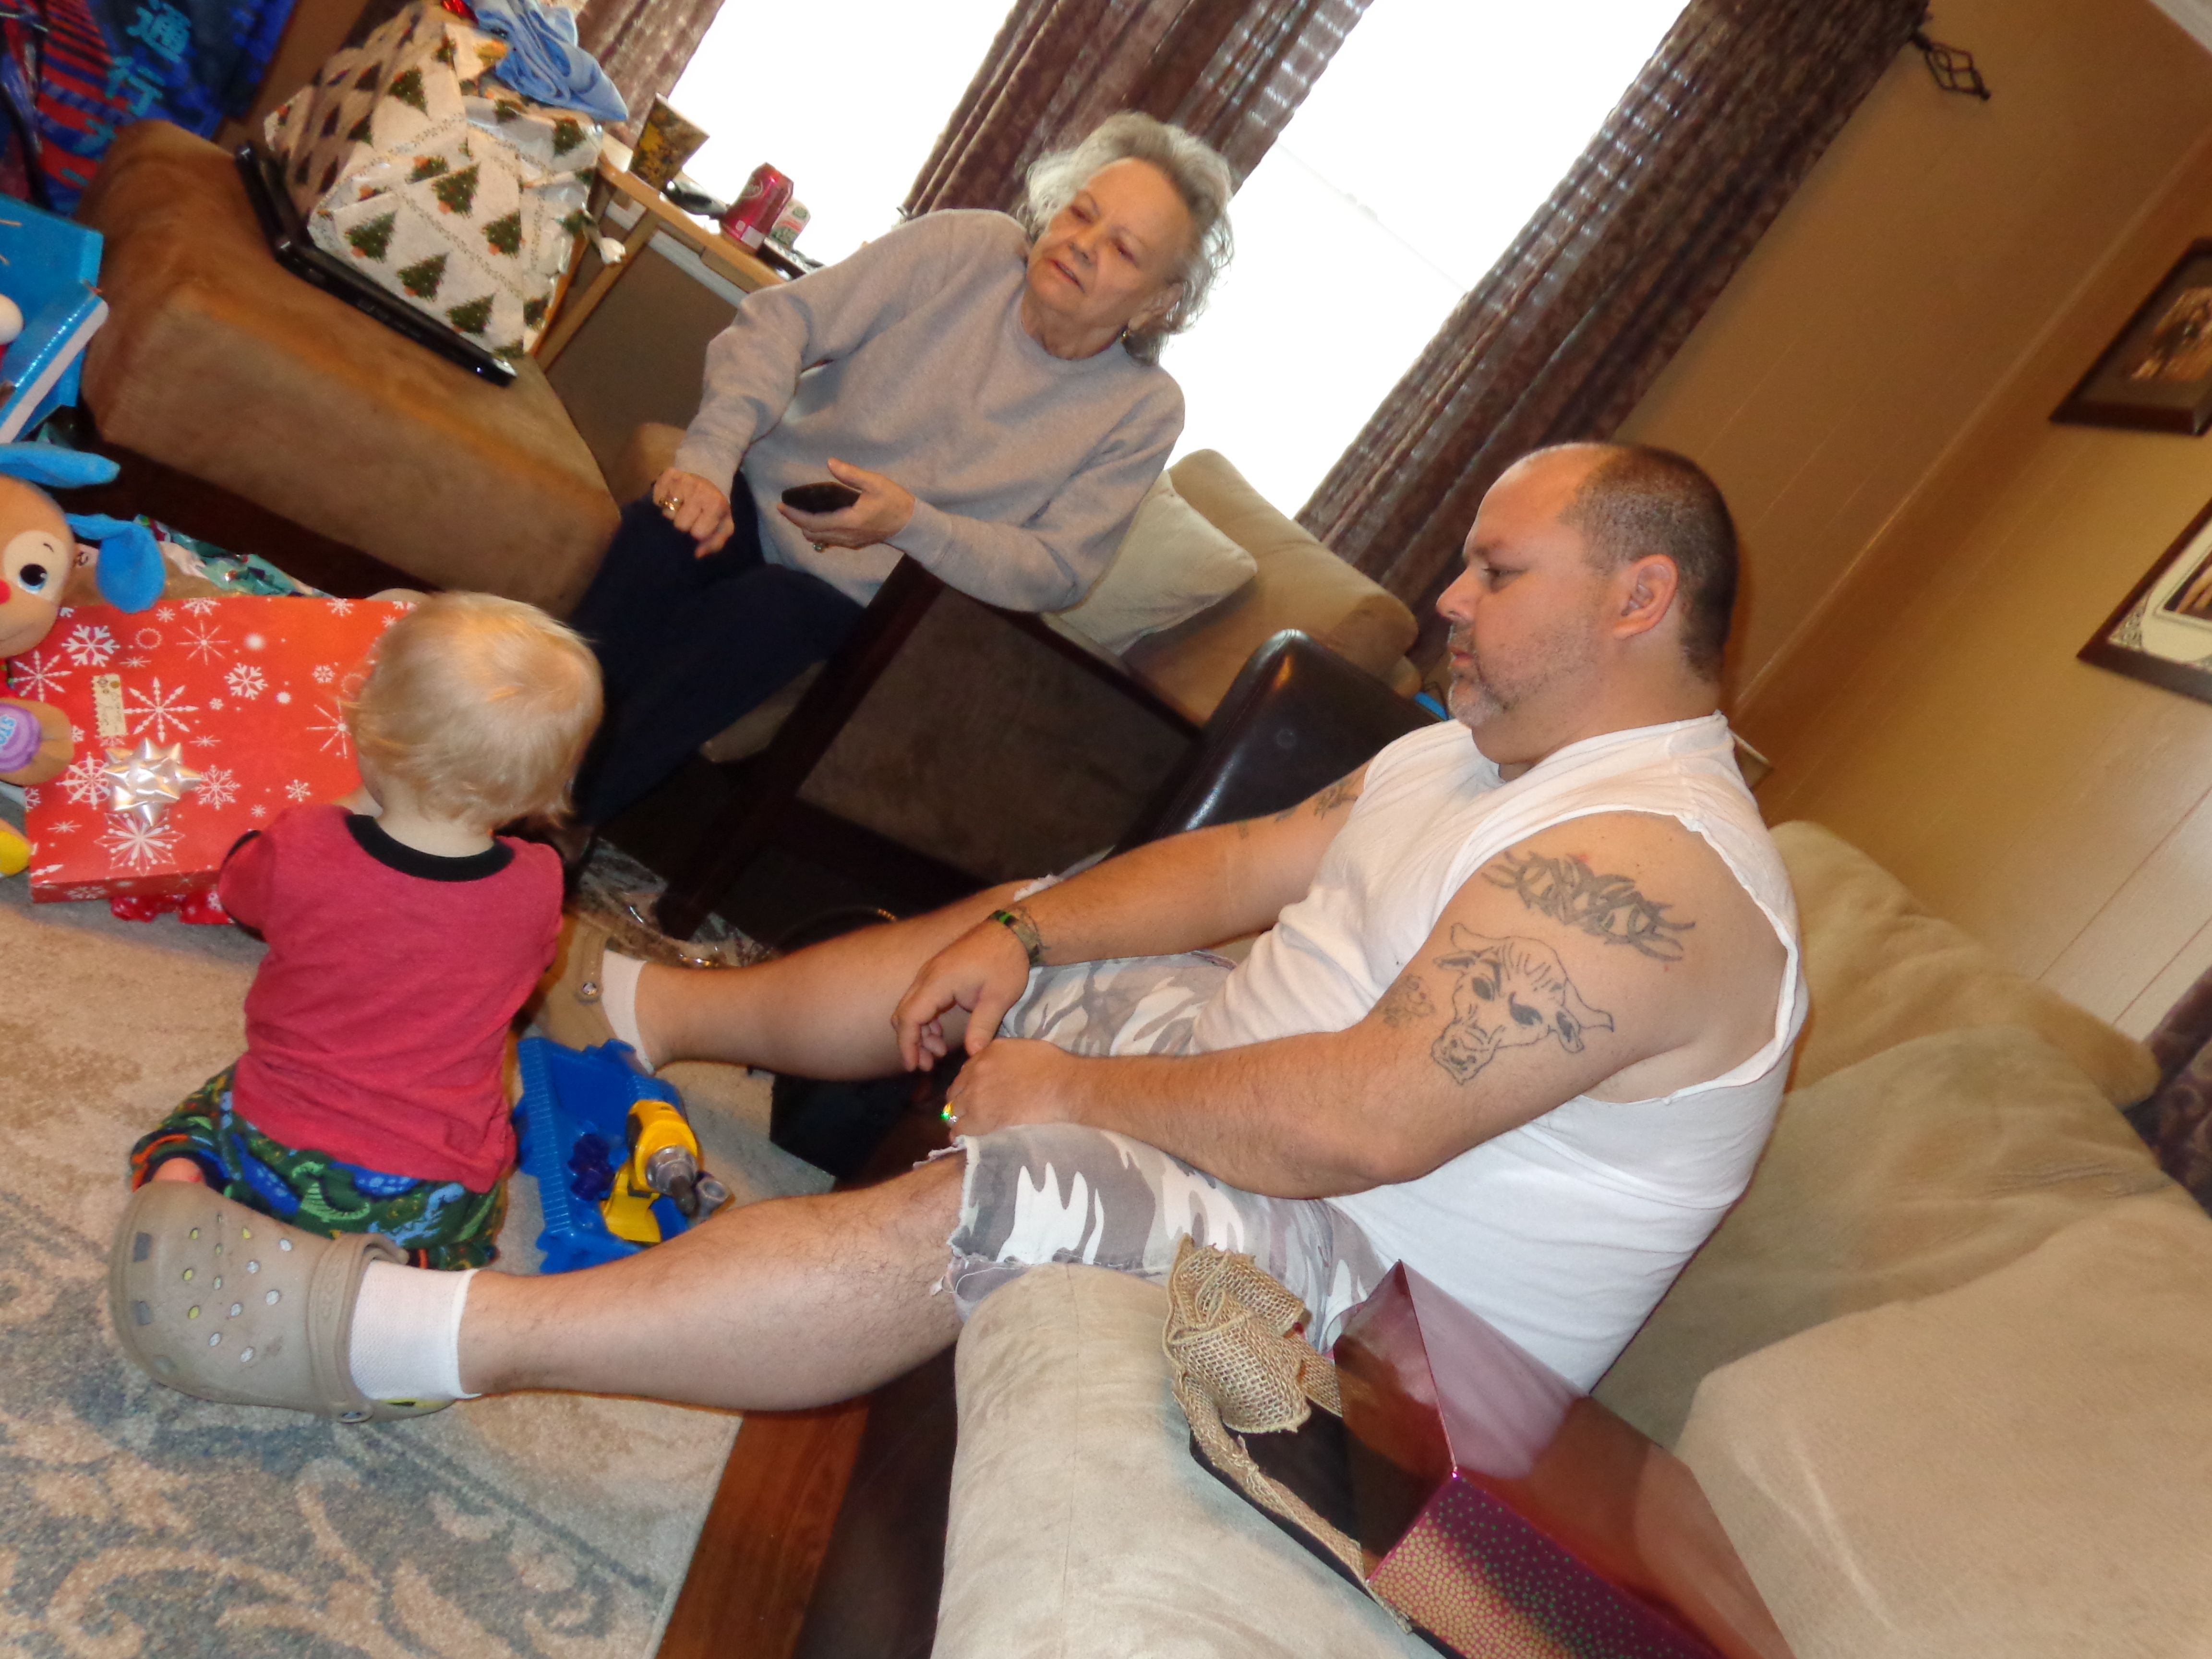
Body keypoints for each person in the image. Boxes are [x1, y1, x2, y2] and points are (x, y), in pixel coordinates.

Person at [109, 442, 1802, 1424]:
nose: (1447, 597)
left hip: (1377, 1327)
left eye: (1496, 571)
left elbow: (1358, 1124)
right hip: (1285, 1133)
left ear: (1636, 597)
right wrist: (1021, 929)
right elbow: (1242, 869)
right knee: (1051, 924)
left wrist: (1070, 1092)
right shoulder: (1469, 749)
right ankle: (635, 1005)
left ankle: (402, 1338)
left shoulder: (1650, 870)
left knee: (1024, 1181)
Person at [565, 111, 1235, 830]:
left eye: (1124, 249)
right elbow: (783, 321)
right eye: (1081, 212)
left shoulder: (1144, 411)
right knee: (659, 536)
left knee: (764, 616)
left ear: (1161, 301)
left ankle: (560, 822)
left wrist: (910, 523)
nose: (1082, 244)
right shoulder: (969, 248)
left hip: (872, 598)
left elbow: (1056, 569)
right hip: (758, 498)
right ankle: (507, 760)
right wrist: (708, 461)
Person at [124, 593, 602, 1272]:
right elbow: (523, 962)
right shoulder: (539, 884)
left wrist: (341, 808)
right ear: (547, 785)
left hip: (272, 1146)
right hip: (427, 1188)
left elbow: (238, 891)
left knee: (195, 1126)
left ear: (368, 730)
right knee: (468, 1230)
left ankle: (183, 1183)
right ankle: (401, 1274)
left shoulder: (303, 845)